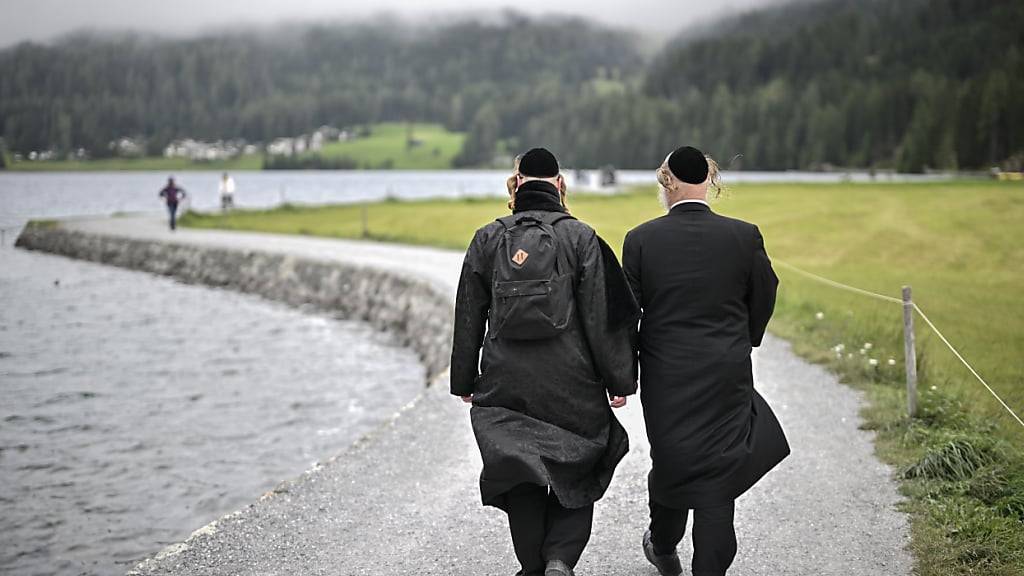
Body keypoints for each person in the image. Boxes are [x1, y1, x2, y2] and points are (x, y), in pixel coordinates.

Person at [451, 148, 639, 576]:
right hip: (572, 382)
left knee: (519, 469)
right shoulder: (582, 237)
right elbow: (602, 318)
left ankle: (534, 568)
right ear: (559, 183)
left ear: (516, 183)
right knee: (582, 464)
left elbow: (468, 315)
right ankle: (560, 560)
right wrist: (619, 381)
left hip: (504, 382)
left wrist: (464, 378)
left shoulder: (487, 237)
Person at [622, 146, 790, 576]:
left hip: (664, 375)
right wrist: (744, 338)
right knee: (718, 469)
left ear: (668, 182)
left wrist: (620, 376)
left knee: (672, 459)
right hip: (725, 371)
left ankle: (662, 545)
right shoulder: (743, 235)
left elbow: (625, 316)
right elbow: (765, 293)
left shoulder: (640, 239)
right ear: (708, 183)